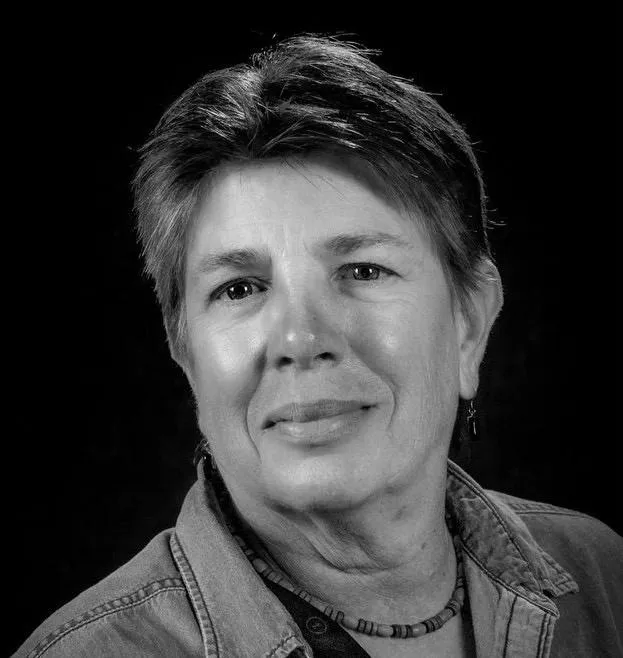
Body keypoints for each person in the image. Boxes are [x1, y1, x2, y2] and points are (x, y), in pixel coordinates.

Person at [16, 35, 622, 658]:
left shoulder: (605, 576)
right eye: (239, 287)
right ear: (186, 352)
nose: (301, 341)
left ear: (469, 321)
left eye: (363, 270)